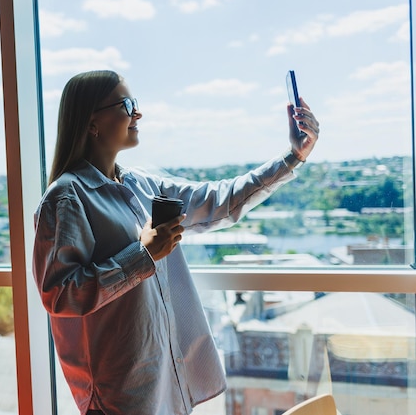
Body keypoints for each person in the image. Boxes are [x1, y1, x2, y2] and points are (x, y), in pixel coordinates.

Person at [32, 70, 319, 415]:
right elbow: (60, 295)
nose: (138, 113)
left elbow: (219, 201)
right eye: (127, 105)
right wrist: (144, 255)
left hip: (164, 379)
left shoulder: (141, 185)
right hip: (120, 394)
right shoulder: (66, 198)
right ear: (92, 123)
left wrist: (293, 157)